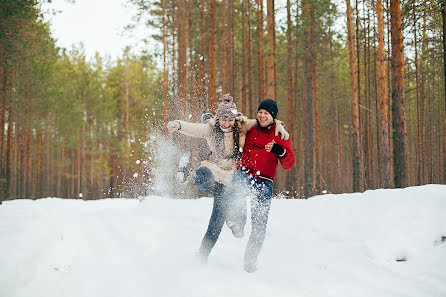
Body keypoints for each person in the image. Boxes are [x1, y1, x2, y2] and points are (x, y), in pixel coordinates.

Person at [166, 94, 289, 262]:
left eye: (230, 120)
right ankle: (189, 173)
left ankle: (202, 256)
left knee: (215, 224)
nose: (226, 123)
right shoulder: (211, 127)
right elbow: (195, 129)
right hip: (215, 168)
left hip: (232, 174)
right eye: (223, 119)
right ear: (218, 118)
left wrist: (279, 125)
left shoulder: (241, 125)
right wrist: (179, 125)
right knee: (202, 176)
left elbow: (263, 120)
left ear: (234, 118)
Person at [230, 98, 295, 273]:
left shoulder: (280, 135)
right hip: (244, 173)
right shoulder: (251, 128)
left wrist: (279, 151)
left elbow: (289, 163)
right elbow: (236, 122)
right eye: (260, 112)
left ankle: (250, 263)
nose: (262, 115)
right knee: (236, 189)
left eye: (266, 113)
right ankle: (238, 222)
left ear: (273, 116)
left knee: (259, 224)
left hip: (264, 180)